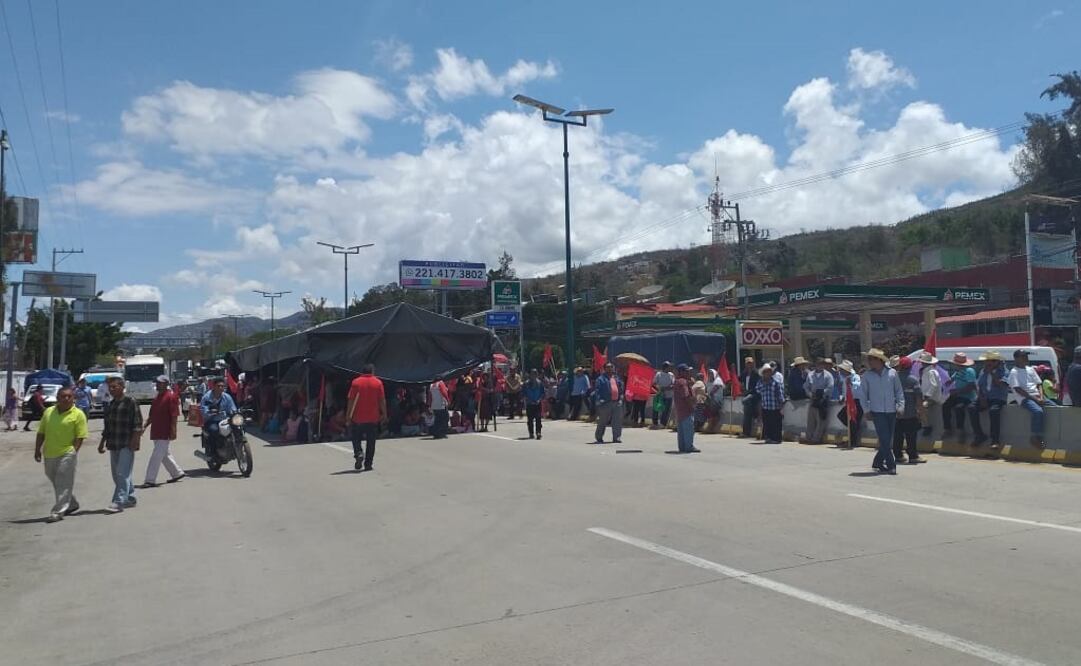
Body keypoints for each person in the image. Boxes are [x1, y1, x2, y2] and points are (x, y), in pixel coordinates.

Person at [34, 387, 88, 522]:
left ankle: (57, 512)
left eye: (69, 396)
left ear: (73, 398)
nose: (66, 399)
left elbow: (80, 436)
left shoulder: (78, 414)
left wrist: (74, 451)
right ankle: (71, 503)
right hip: (49, 453)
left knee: (63, 481)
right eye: (63, 396)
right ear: (57, 398)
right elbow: (41, 432)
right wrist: (37, 449)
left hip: (67, 452)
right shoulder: (48, 412)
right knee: (56, 480)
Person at [98, 377, 143, 513]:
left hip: (126, 443)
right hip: (113, 443)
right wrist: (102, 443)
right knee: (117, 474)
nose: (112, 390)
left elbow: (137, 424)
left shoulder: (130, 402)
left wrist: (135, 441)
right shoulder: (111, 404)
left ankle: (118, 502)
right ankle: (130, 497)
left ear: (122, 387)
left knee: (122, 473)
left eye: (114, 387)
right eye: (110, 387)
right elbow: (107, 427)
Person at [858, 348, 905, 475]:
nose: (869, 362)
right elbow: (863, 395)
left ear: (879, 360)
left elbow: (898, 391)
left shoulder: (892, 373)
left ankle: (878, 462)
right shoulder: (867, 376)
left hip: (891, 410)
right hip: (877, 411)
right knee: (884, 439)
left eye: (871, 360)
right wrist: (866, 410)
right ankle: (891, 465)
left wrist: (901, 406)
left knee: (887, 440)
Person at [141, 375, 184, 488]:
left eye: (160, 383)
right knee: (164, 455)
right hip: (156, 430)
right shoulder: (157, 398)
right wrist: (144, 426)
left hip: (165, 431)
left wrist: (174, 431)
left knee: (156, 456)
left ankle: (150, 480)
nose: (157, 385)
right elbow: (151, 415)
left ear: (166, 384)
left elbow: (174, 416)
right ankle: (177, 473)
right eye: (157, 383)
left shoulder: (171, 397)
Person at [347, 364, 387, 471]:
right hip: (373, 418)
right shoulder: (378, 383)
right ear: (372, 371)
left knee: (355, 438)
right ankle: (368, 464)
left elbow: (351, 400)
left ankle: (359, 453)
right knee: (371, 441)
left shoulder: (355, 382)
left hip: (357, 417)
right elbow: (382, 400)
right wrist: (384, 414)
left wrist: (348, 416)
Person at [970, 351, 1009, 449]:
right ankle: (979, 435)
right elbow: (978, 385)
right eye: (987, 361)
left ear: (997, 362)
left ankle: (995, 440)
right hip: (985, 397)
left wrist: (991, 372)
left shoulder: (1004, 372)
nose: (988, 363)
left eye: (991, 361)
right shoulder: (983, 371)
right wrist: (981, 398)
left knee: (994, 411)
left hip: (998, 398)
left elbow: (1001, 385)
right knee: (971, 408)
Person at [1008, 349, 1046, 449]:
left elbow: (1039, 384)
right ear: (1016, 359)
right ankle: (1034, 437)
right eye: (1023, 356)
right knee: (1038, 411)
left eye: (1026, 356)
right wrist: (1035, 399)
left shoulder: (1030, 369)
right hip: (1025, 398)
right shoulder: (1014, 372)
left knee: (1056, 406)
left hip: (1037, 396)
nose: (1026, 358)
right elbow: (1018, 389)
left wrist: (1041, 397)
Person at [890, 357, 923, 464]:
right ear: (910, 366)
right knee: (911, 436)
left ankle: (898, 456)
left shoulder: (893, 379)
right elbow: (918, 398)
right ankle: (913, 456)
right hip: (910, 413)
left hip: (896, 413)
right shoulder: (913, 380)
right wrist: (920, 412)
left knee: (898, 436)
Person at [200, 378, 238, 461]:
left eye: (222, 386)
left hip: (225, 420)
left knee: (238, 427)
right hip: (211, 420)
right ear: (213, 386)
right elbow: (204, 410)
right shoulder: (207, 397)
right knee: (214, 430)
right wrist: (210, 412)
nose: (221, 388)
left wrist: (235, 413)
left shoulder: (227, 397)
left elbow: (232, 408)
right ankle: (213, 453)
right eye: (219, 386)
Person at [942, 352, 977, 441]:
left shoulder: (969, 371)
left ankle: (960, 430)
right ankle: (947, 428)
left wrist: (958, 391)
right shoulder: (958, 371)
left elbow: (971, 385)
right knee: (945, 405)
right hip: (957, 395)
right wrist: (948, 382)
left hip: (967, 397)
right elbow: (953, 378)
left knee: (959, 408)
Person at [803, 358, 835, 444]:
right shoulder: (810, 375)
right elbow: (806, 386)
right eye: (819, 364)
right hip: (813, 399)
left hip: (823, 400)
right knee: (811, 420)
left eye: (822, 364)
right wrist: (810, 394)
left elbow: (830, 387)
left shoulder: (828, 375)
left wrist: (821, 393)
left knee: (821, 420)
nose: (821, 366)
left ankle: (816, 439)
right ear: (816, 365)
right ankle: (808, 437)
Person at [592, 362, 623, 444]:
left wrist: (621, 398)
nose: (610, 369)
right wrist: (599, 400)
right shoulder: (601, 379)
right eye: (608, 367)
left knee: (617, 421)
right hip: (605, 403)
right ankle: (599, 437)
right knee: (602, 421)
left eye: (611, 367)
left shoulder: (616, 378)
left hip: (616, 402)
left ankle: (617, 437)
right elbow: (597, 390)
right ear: (604, 369)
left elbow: (620, 388)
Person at [756, 364, 785, 444]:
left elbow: (780, 395)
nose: (767, 373)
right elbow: (758, 391)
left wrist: (782, 407)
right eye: (765, 372)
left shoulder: (776, 383)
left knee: (776, 424)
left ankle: (776, 439)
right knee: (767, 423)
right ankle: (768, 438)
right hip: (766, 406)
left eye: (769, 372)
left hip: (775, 407)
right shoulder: (760, 383)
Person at [837, 360, 863, 449]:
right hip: (849, 401)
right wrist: (843, 397)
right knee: (842, 416)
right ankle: (853, 435)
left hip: (857, 401)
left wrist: (851, 383)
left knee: (853, 421)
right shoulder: (844, 378)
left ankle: (853, 441)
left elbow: (858, 385)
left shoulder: (855, 377)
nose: (840, 371)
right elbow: (845, 391)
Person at [673, 365, 700, 452]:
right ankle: (689, 446)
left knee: (682, 430)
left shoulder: (678, 381)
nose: (689, 373)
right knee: (689, 429)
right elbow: (686, 396)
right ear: (681, 372)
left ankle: (683, 446)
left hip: (680, 410)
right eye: (687, 371)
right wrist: (692, 406)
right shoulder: (683, 382)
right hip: (686, 410)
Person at [918, 352, 945, 437]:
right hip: (927, 396)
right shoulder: (927, 371)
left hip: (932, 397)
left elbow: (934, 385)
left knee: (921, 407)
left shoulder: (931, 372)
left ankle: (927, 426)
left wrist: (927, 395)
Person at [739, 357, 761, 438]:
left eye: (750, 363)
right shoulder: (744, 373)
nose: (749, 365)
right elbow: (739, 380)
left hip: (755, 394)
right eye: (748, 363)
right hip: (747, 395)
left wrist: (749, 392)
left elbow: (758, 386)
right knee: (747, 414)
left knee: (745, 401)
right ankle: (746, 432)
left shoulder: (756, 373)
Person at [651, 362, 675, 429]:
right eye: (669, 366)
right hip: (659, 394)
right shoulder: (658, 374)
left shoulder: (671, 375)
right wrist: (659, 388)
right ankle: (655, 423)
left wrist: (666, 388)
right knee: (656, 408)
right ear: (665, 367)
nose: (670, 368)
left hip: (668, 395)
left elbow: (673, 384)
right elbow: (654, 383)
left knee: (666, 410)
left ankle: (663, 423)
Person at [523, 369, 545, 440]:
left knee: (538, 419)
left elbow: (542, 393)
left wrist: (539, 400)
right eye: (532, 374)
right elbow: (524, 394)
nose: (534, 375)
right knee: (530, 420)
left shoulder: (540, 383)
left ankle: (538, 432)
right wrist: (528, 400)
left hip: (537, 403)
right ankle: (531, 433)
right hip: (530, 404)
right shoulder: (526, 384)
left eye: (535, 374)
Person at [428, 374, 451, 439]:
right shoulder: (440, 383)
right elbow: (444, 392)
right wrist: (448, 400)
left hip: (434, 405)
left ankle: (436, 433)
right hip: (441, 404)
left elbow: (430, 396)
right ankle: (442, 432)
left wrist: (430, 405)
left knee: (437, 420)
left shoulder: (431, 385)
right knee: (445, 418)